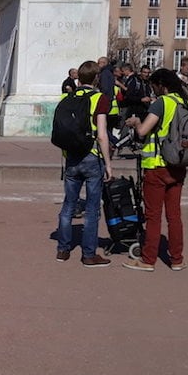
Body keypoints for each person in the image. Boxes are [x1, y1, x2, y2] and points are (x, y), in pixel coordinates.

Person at [122, 69, 188, 272]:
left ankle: (148, 259)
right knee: (174, 215)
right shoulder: (186, 103)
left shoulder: (162, 102)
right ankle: (177, 259)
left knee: (153, 215)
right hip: (178, 165)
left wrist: (135, 123)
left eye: (154, 85)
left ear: (161, 84)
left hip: (157, 165)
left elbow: (143, 131)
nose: (153, 89)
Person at [55, 59, 113, 266]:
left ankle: (63, 249)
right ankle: (89, 253)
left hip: (71, 157)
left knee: (69, 204)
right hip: (91, 156)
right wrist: (108, 163)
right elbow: (102, 135)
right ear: (97, 78)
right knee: (92, 208)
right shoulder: (100, 99)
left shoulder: (69, 96)